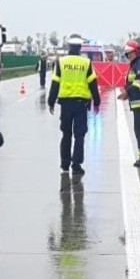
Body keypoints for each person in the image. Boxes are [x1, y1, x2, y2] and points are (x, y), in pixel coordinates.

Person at [47, 35, 101, 175]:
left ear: (69, 47)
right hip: (81, 104)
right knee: (79, 135)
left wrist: (51, 101)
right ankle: (76, 165)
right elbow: (92, 83)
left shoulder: (61, 62)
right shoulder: (86, 63)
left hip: (65, 104)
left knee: (66, 134)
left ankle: (65, 164)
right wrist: (97, 101)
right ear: (80, 48)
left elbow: (55, 83)